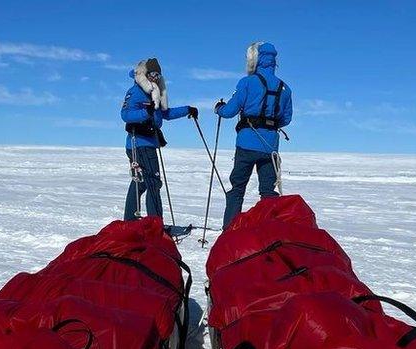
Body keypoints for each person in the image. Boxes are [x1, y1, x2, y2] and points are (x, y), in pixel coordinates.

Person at [214, 42, 293, 229]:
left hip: (246, 144)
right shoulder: (285, 88)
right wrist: (269, 125)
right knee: (268, 192)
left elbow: (230, 111)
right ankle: (269, 232)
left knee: (237, 189)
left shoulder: (247, 82)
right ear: (274, 61)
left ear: (255, 60)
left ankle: (230, 232)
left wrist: (219, 108)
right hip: (270, 147)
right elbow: (286, 118)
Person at [121, 58, 198, 221]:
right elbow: (125, 115)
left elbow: (164, 113)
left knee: (140, 182)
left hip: (146, 142)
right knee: (153, 182)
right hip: (140, 144)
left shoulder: (154, 92)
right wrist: (145, 113)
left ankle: (130, 221)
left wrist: (187, 110)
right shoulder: (135, 91)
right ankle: (154, 224)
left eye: (158, 75)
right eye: (152, 74)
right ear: (144, 74)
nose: (155, 77)